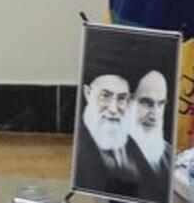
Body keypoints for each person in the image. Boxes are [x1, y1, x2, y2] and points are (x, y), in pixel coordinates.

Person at [74, 67, 141, 196]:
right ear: (87, 93)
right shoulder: (78, 147)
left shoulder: (135, 149)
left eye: (122, 98)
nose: (113, 109)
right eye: (105, 96)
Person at [127, 70, 173, 201]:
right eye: (147, 103)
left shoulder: (168, 154)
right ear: (129, 101)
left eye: (161, 104)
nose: (154, 115)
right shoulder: (108, 152)